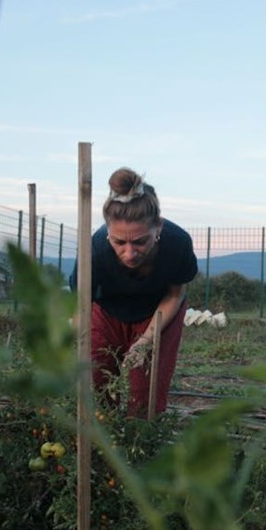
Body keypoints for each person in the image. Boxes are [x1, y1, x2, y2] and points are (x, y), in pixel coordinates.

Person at [71, 167, 199, 417]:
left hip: (158, 310)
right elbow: (81, 304)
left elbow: (175, 294)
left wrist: (145, 342)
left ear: (158, 227)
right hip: (107, 310)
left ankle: (141, 439)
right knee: (96, 381)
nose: (129, 253)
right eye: (119, 242)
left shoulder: (177, 243)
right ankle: (102, 438)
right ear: (108, 231)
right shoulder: (94, 250)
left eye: (140, 241)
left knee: (145, 391)